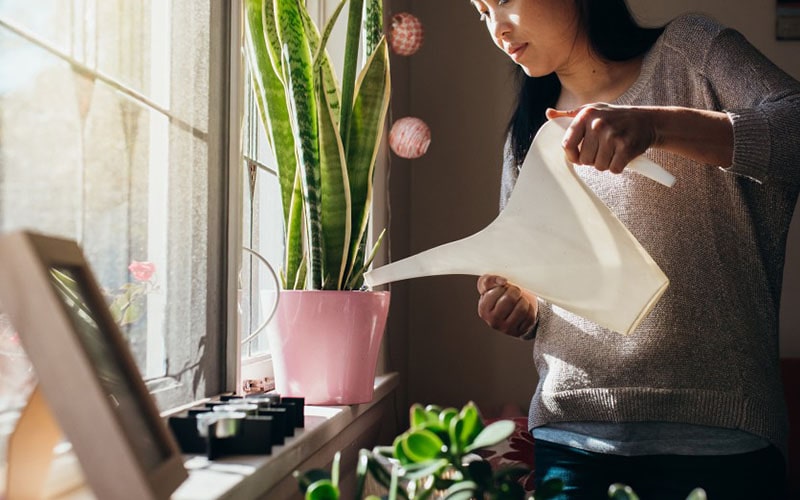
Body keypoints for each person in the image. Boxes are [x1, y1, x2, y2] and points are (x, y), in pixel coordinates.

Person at [470, 0, 800, 498]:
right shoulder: (526, 135)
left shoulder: (691, 53)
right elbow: (533, 282)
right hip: (570, 439)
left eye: (505, 0)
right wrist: (520, 304)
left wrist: (655, 126)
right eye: (481, 11)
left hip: (721, 439)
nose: (497, 28)